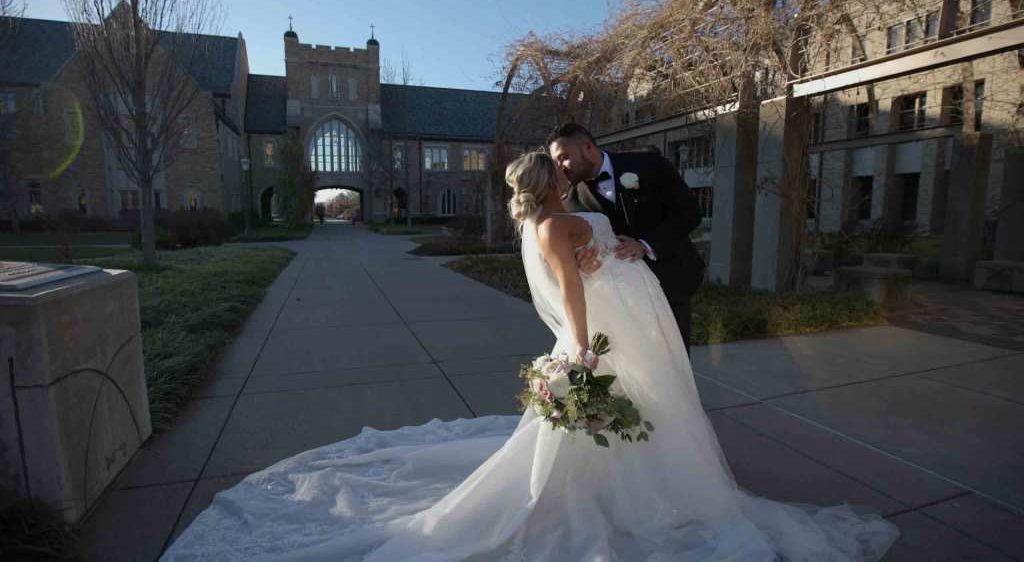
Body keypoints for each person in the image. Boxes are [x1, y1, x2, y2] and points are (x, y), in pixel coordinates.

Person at [163, 152, 899, 562]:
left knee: (650, 404)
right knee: (633, 405)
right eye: (554, 168)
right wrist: (577, 348)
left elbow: (601, 249)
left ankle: (630, 475)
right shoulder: (551, 228)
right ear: (547, 187)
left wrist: (628, 247)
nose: (560, 168)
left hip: (630, 305)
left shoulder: (552, 217)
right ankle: (615, 493)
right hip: (609, 322)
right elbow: (573, 291)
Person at [548, 122, 705, 352]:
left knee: (675, 363)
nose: (560, 167)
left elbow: (690, 213)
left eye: (563, 157)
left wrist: (645, 245)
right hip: (620, 300)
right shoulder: (571, 202)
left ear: (587, 147)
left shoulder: (648, 164)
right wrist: (584, 262)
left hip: (670, 281)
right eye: (556, 162)